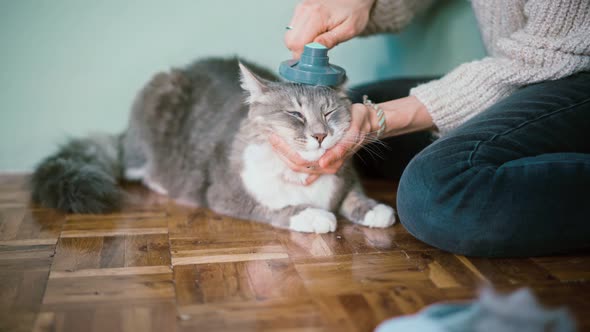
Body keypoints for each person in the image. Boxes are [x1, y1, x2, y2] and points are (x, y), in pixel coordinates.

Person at [270, 0, 590, 257]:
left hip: (569, 72)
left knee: (434, 193)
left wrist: (379, 119)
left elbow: (551, 56)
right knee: (352, 117)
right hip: (528, 76)